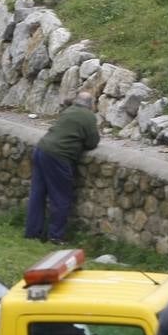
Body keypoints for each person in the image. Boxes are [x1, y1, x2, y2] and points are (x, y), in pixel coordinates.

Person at [24, 90, 99, 243]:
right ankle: (55, 236)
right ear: (91, 104)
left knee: (37, 194)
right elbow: (92, 142)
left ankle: (32, 232)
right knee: (60, 197)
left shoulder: (68, 110)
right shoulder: (89, 116)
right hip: (58, 157)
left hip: (41, 150)